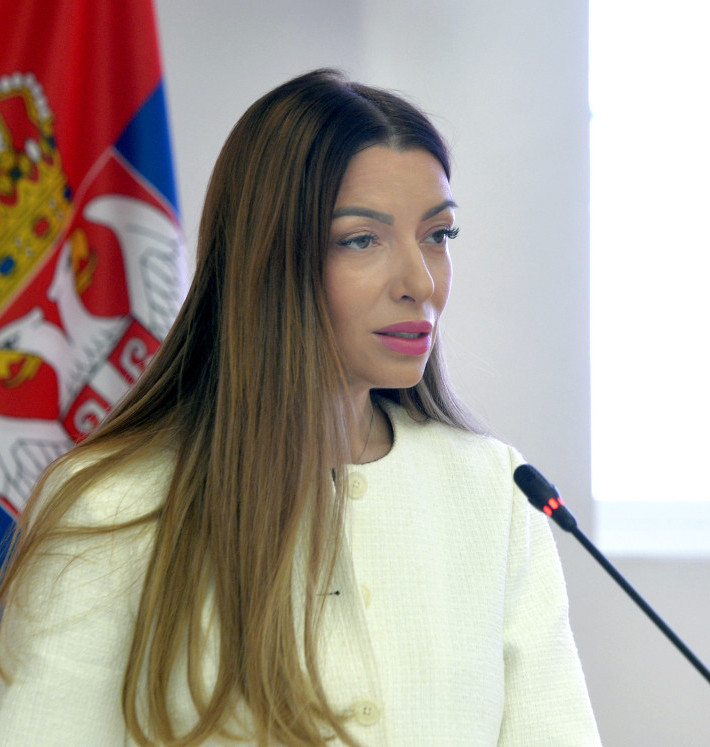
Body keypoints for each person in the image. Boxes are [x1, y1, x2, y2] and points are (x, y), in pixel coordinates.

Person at [0, 69, 600, 745]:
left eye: (438, 235)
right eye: (361, 239)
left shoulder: (496, 490)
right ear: (267, 256)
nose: (421, 281)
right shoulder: (109, 504)